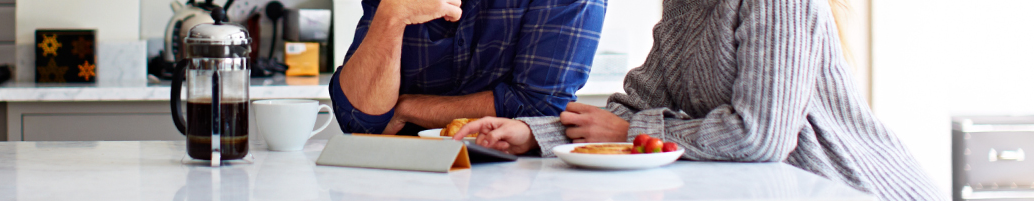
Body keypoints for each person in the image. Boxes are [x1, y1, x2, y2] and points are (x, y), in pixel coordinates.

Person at [451, 0, 944, 200]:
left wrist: (630, 134)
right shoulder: (684, 4)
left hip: (852, 185)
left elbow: (759, 136)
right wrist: (532, 133)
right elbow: (632, 104)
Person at [328, 0, 608, 135]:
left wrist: (407, 108)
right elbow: (358, 121)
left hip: (514, 178)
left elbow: (540, 105)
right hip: (398, 176)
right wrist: (392, 14)